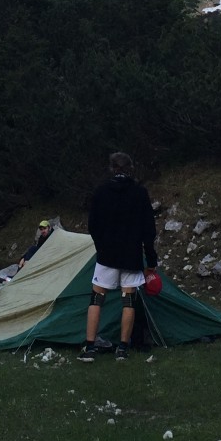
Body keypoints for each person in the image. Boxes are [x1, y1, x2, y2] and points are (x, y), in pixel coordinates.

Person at [80, 152, 158, 362]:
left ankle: (89, 347)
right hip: (131, 255)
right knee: (128, 301)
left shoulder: (101, 192)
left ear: (111, 168)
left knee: (96, 299)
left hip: (107, 254)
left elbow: (93, 225)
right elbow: (149, 229)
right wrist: (151, 260)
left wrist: (101, 247)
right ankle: (122, 349)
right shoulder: (139, 192)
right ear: (130, 168)